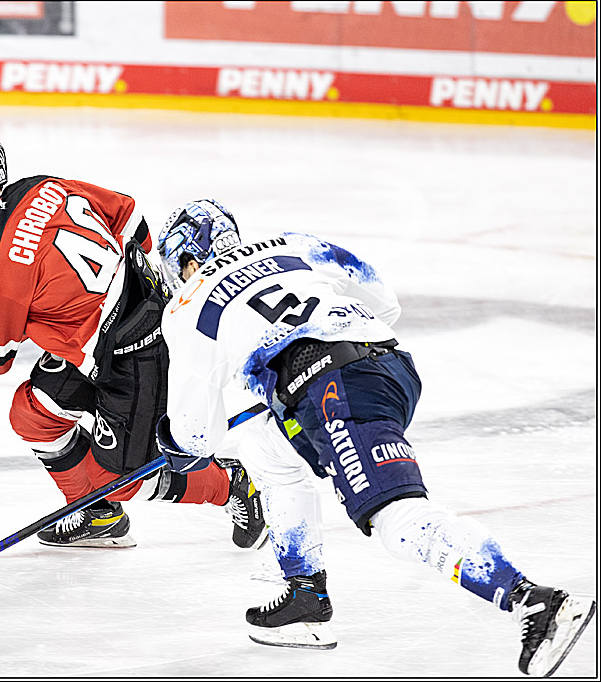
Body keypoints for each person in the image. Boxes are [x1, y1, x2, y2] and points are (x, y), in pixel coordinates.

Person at [153, 198, 596, 675]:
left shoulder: (186, 304)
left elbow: (196, 435)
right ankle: (304, 597)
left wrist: (172, 443)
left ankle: (535, 602)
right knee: (265, 449)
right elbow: (385, 304)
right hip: (389, 368)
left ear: (182, 259)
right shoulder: (292, 244)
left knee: (399, 520)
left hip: (334, 391)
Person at [0, 128, 267, 550]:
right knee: (34, 414)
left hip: (140, 352)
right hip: (115, 332)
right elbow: (131, 220)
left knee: (120, 481)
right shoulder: (43, 188)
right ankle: (95, 515)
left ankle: (230, 485)